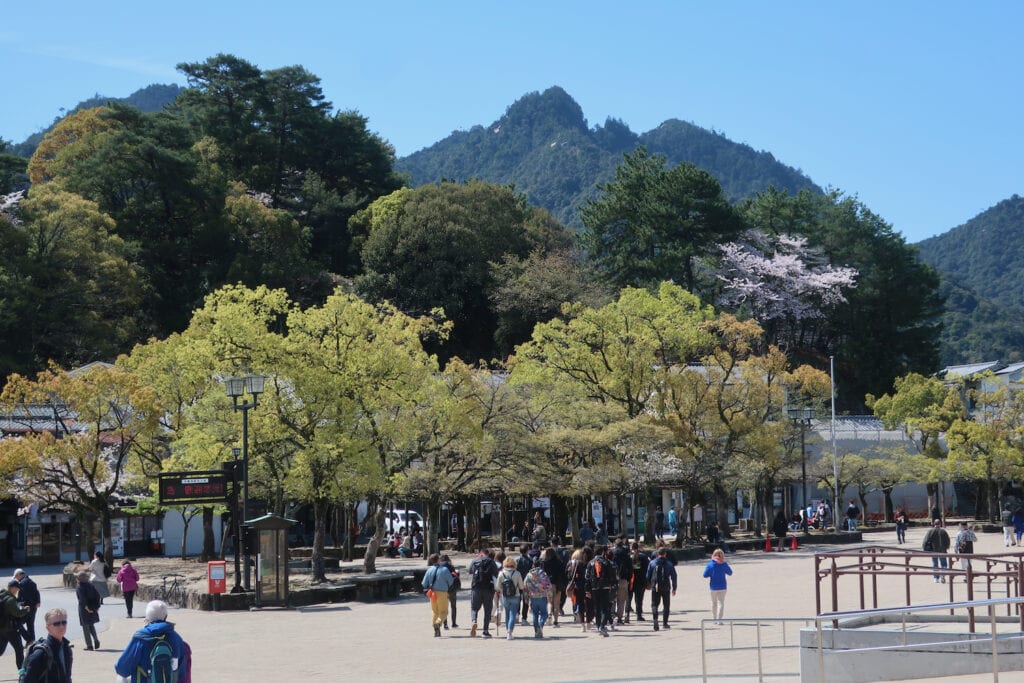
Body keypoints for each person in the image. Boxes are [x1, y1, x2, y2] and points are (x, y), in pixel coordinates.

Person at [114, 600, 187, 683]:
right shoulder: (176, 638)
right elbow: (181, 673)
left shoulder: (141, 638)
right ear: (166, 617)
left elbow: (122, 668)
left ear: (147, 618)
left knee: (121, 677)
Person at [20, 607, 73, 683]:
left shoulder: (67, 649)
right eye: (57, 624)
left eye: (64, 622)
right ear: (48, 628)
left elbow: (67, 677)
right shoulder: (40, 653)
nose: (61, 626)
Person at [585, 545, 616, 636]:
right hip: (605, 587)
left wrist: (587, 590)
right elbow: (612, 575)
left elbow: (587, 577)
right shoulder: (606, 562)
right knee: (605, 608)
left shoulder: (590, 563)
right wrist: (612, 584)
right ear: (603, 552)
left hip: (594, 588)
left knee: (597, 608)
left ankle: (599, 626)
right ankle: (602, 625)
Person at [467, 548, 498, 638]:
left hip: (476, 587)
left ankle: (474, 621)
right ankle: (485, 631)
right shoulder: (491, 562)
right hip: (488, 588)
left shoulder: (475, 561)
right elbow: (496, 574)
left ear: (480, 553)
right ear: (488, 554)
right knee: (487, 610)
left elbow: (470, 571)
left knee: (474, 608)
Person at [421, 553, 454, 637]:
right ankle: (438, 623)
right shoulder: (444, 569)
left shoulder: (429, 570)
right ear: (438, 560)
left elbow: (424, 583)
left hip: (432, 593)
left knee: (435, 611)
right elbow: (451, 581)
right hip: (442, 592)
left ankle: (435, 629)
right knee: (444, 612)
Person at [646, 546, 677, 631]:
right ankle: (665, 623)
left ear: (657, 554)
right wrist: (674, 588)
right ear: (665, 554)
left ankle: (655, 619)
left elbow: (648, 575)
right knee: (666, 605)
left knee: (654, 604)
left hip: (655, 586)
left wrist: (649, 584)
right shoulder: (669, 564)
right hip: (666, 586)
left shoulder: (652, 563)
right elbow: (674, 576)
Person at [0, 578, 29, 670]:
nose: (17, 590)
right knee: (19, 649)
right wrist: (25, 610)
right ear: (12, 588)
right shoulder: (11, 600)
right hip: (10, 629)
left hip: (2, 628)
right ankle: (22, 670)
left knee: (1, 649)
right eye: (17, 588)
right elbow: (17, 613)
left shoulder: (2, 596)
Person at [495, 556, 526, 640]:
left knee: (507, 614)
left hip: (505, 596)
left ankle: (508, 631)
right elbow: (521, 586)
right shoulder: (517, 573)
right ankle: (510, 632)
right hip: (515, 596)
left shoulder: (501, 573)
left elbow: (497, 587)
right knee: (513, 614)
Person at [523, 557, 552, 638]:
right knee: (544, 614)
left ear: (533, 565)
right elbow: (548, 585)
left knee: (535, 614)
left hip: (533, 596)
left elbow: (525, 586)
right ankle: (540, 625)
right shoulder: (543, 574)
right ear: (541, 565)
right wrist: (550, 596)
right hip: (542, 596)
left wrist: (526, 598)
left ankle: (536, 631)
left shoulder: (529, 575)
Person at [703, 548, 733, 625]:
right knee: (721, 603)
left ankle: (714, 619)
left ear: (713, 555)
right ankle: (720, 620)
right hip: (722, 586)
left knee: (714, 603)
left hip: (713, 587)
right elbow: (730, 573)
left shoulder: (710, 564)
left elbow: (705, 575)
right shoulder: (724, 564)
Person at [74, 571, 101, 651]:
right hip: (93, 607)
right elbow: (97, 595)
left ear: (79, 579)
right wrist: (97, 606)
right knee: (91, 625)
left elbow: (82, 599)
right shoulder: (91, 585)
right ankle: (96, 639)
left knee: (85, 627)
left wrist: (86, 608)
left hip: (84, 608)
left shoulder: (79, 587)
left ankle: (89, 645)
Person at [14, 568, 41, 644]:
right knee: (30, 625)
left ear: (20, 575)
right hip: (33, 607)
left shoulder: (22, 583)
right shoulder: (31, 582)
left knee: (18, 623)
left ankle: (29, 640)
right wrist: (38, 601)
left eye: (16, 576)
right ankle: (32, 642)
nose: (16, 578)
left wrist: (19, 603)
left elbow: (23, 597)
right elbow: (37, 592)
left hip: (27, 607)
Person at [540, 547, 565, 628]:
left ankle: (549, 615)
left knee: (549, 601)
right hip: (558, 584)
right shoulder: (559, 562)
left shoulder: (544, 562)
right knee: (556, 603)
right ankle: (556, 621)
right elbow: (562, 574)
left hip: (548, 584)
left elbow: (542, 574)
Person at [611, 536, 631, 625]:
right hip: (623, 579)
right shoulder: (626, 554)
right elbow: (630, 567)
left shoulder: (612, 553)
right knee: (621, 600)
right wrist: (628, 579)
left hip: (612, 580)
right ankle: (619, 618)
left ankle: (611, 615)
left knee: (612, 599)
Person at [629, 541, 650, 621]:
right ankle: (639, 615)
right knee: (639, 598)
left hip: (631, 580)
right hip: (641, 580)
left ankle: (627, 616)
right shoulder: (644, 556)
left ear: (632, 548)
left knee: (629, 598)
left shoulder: (628, 556)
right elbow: (648, 568)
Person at [440, 554, 460, 629]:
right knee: (453, 606)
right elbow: (454, 575)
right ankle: (454, 623)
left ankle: (445, 624)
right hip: (452, 589)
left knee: (444, 607)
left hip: (443, 589)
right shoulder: (451, 566)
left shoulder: (439, 566)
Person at [515, 545, 533, 625]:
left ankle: (516, 614)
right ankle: (524, 618)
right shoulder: (530, 560)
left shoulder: (516, 560)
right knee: (526, 601)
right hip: (527, 583)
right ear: (527, 551)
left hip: (518, 582)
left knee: (517, 599)